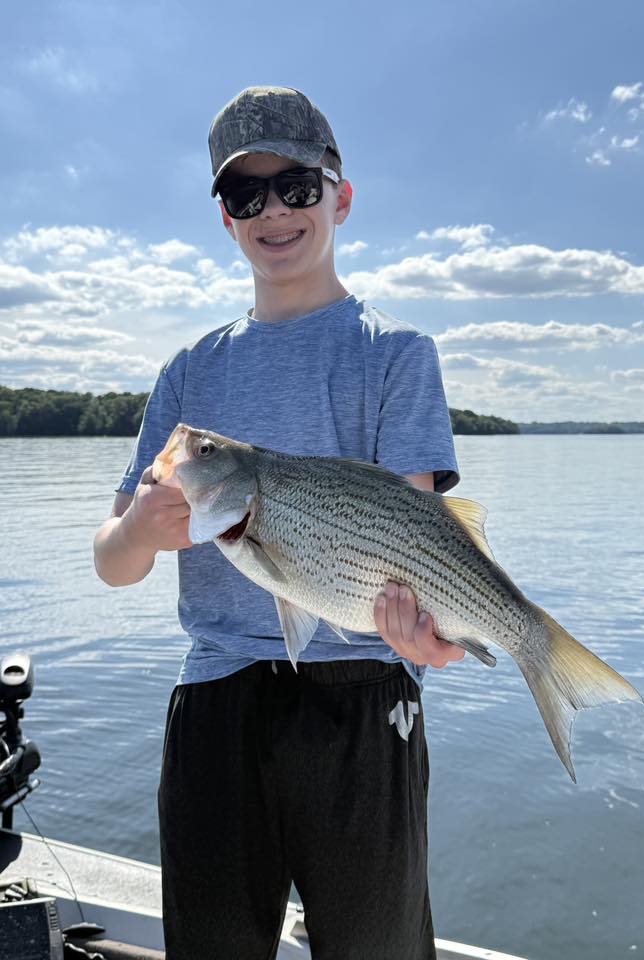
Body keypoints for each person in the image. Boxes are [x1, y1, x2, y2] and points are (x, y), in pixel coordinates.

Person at [93, 85, 464, 960]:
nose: (274, 211)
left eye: (295, 185)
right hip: (217, 703)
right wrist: (142, 530)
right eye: (245, 195)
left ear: (340, 194)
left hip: (362, 700)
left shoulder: (396, 354)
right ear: (226, 220)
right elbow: (112, 563)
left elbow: (412, 544)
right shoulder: (189, 373)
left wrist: (428, 633)